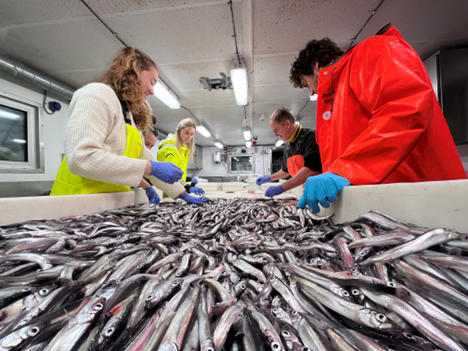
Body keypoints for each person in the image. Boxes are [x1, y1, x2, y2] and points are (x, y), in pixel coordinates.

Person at [289, 24, 467, 212]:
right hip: (387, 206)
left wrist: (345, 170)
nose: (311, 91)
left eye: (305, 83)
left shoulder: (371, 51)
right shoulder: (337, 95)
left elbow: (405, 109)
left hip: (426, 200)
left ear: (314, 66)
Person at [50, 47, 206, 206]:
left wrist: (181, 193)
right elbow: (82, 158)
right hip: (74, 205)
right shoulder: (96, 94)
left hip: (107, 207)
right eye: (151, 82)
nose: (152, 91)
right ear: (134, 72)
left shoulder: (128, 117)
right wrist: (151, 167)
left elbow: (147, 161)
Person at [256, 107, 322, 197]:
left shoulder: (311, 136)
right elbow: (285, 171)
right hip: (303, 191)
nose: (275, 135)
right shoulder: (288, 145)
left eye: (276, 130)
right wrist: (269, 178)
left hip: (320, 190)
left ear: (287, 123)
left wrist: (282, 187)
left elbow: (310, 169)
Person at [157, 118, 205, 197]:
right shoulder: (170, 148)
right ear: (179, 131)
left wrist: (190, 183)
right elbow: (169, 175)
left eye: (192, 134)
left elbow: (178, 173)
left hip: (177, 193)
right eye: (187, 133)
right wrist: (187, 186)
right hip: (168, 195)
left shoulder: (182, 149)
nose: (189, 137)